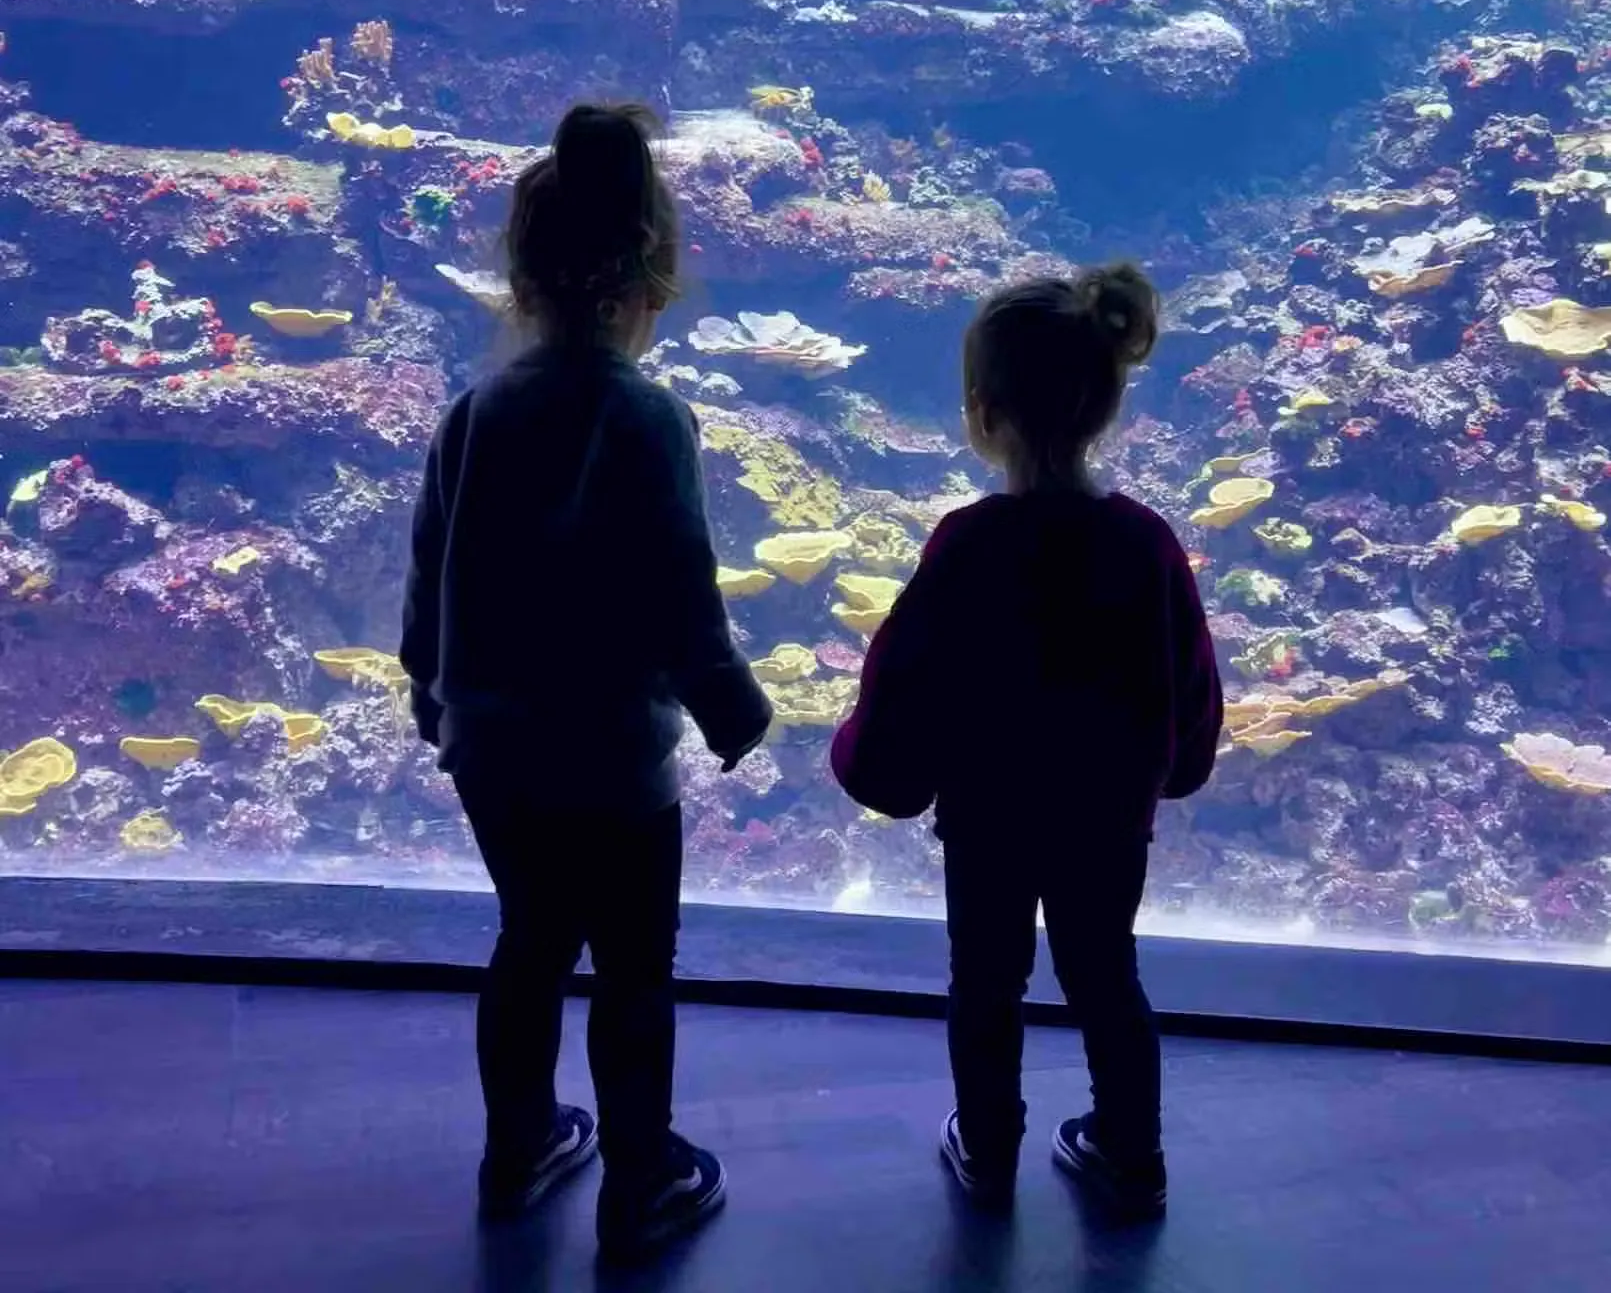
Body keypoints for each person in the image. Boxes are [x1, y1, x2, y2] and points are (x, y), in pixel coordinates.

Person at [399, 101, 773, 1258]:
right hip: (614, 757)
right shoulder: (647, 415)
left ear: (522, 274)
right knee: (634, 970)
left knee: (528, 942)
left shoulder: (479, 410)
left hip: (494, 747)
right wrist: (731, 703)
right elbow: (678, 582)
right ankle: (640, 1174)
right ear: (650, 278)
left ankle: (518, 1148)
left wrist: (431, 692)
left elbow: (430, 568)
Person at [830, 266, 1222, 1220]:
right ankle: (1132, 1155)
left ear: (980, 410)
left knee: (985, 980)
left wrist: (867, 763)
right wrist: (1171, 770)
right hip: (1105, 819)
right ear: (1106, 404)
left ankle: (989, 1143)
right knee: (1105, 976)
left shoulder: (967, 544)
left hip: (988, 822)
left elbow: (904, 685)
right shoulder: (1144, 543)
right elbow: (1192, 689)